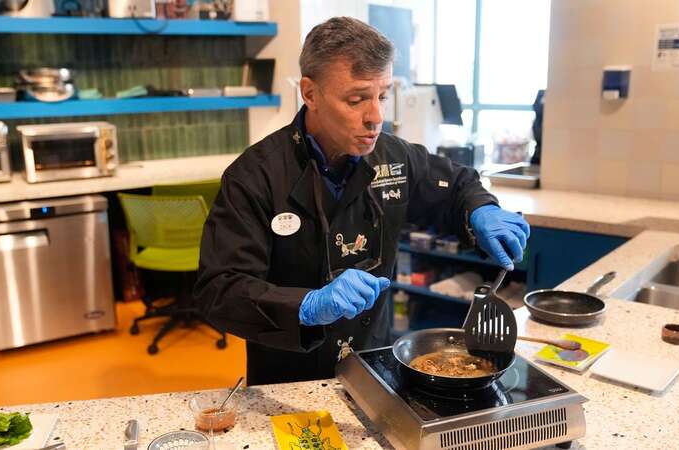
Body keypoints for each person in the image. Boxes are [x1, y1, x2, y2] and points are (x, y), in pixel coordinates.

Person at [193, 17, 529, 385]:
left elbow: (457, 183)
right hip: (289, 375)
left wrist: (482, 208)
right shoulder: (255, 176)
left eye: (382, 95)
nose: (376, 118)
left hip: (374, 364)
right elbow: (220, 290)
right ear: (310, 93)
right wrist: (306, 307)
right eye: (356, 100)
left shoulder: (393, 157)